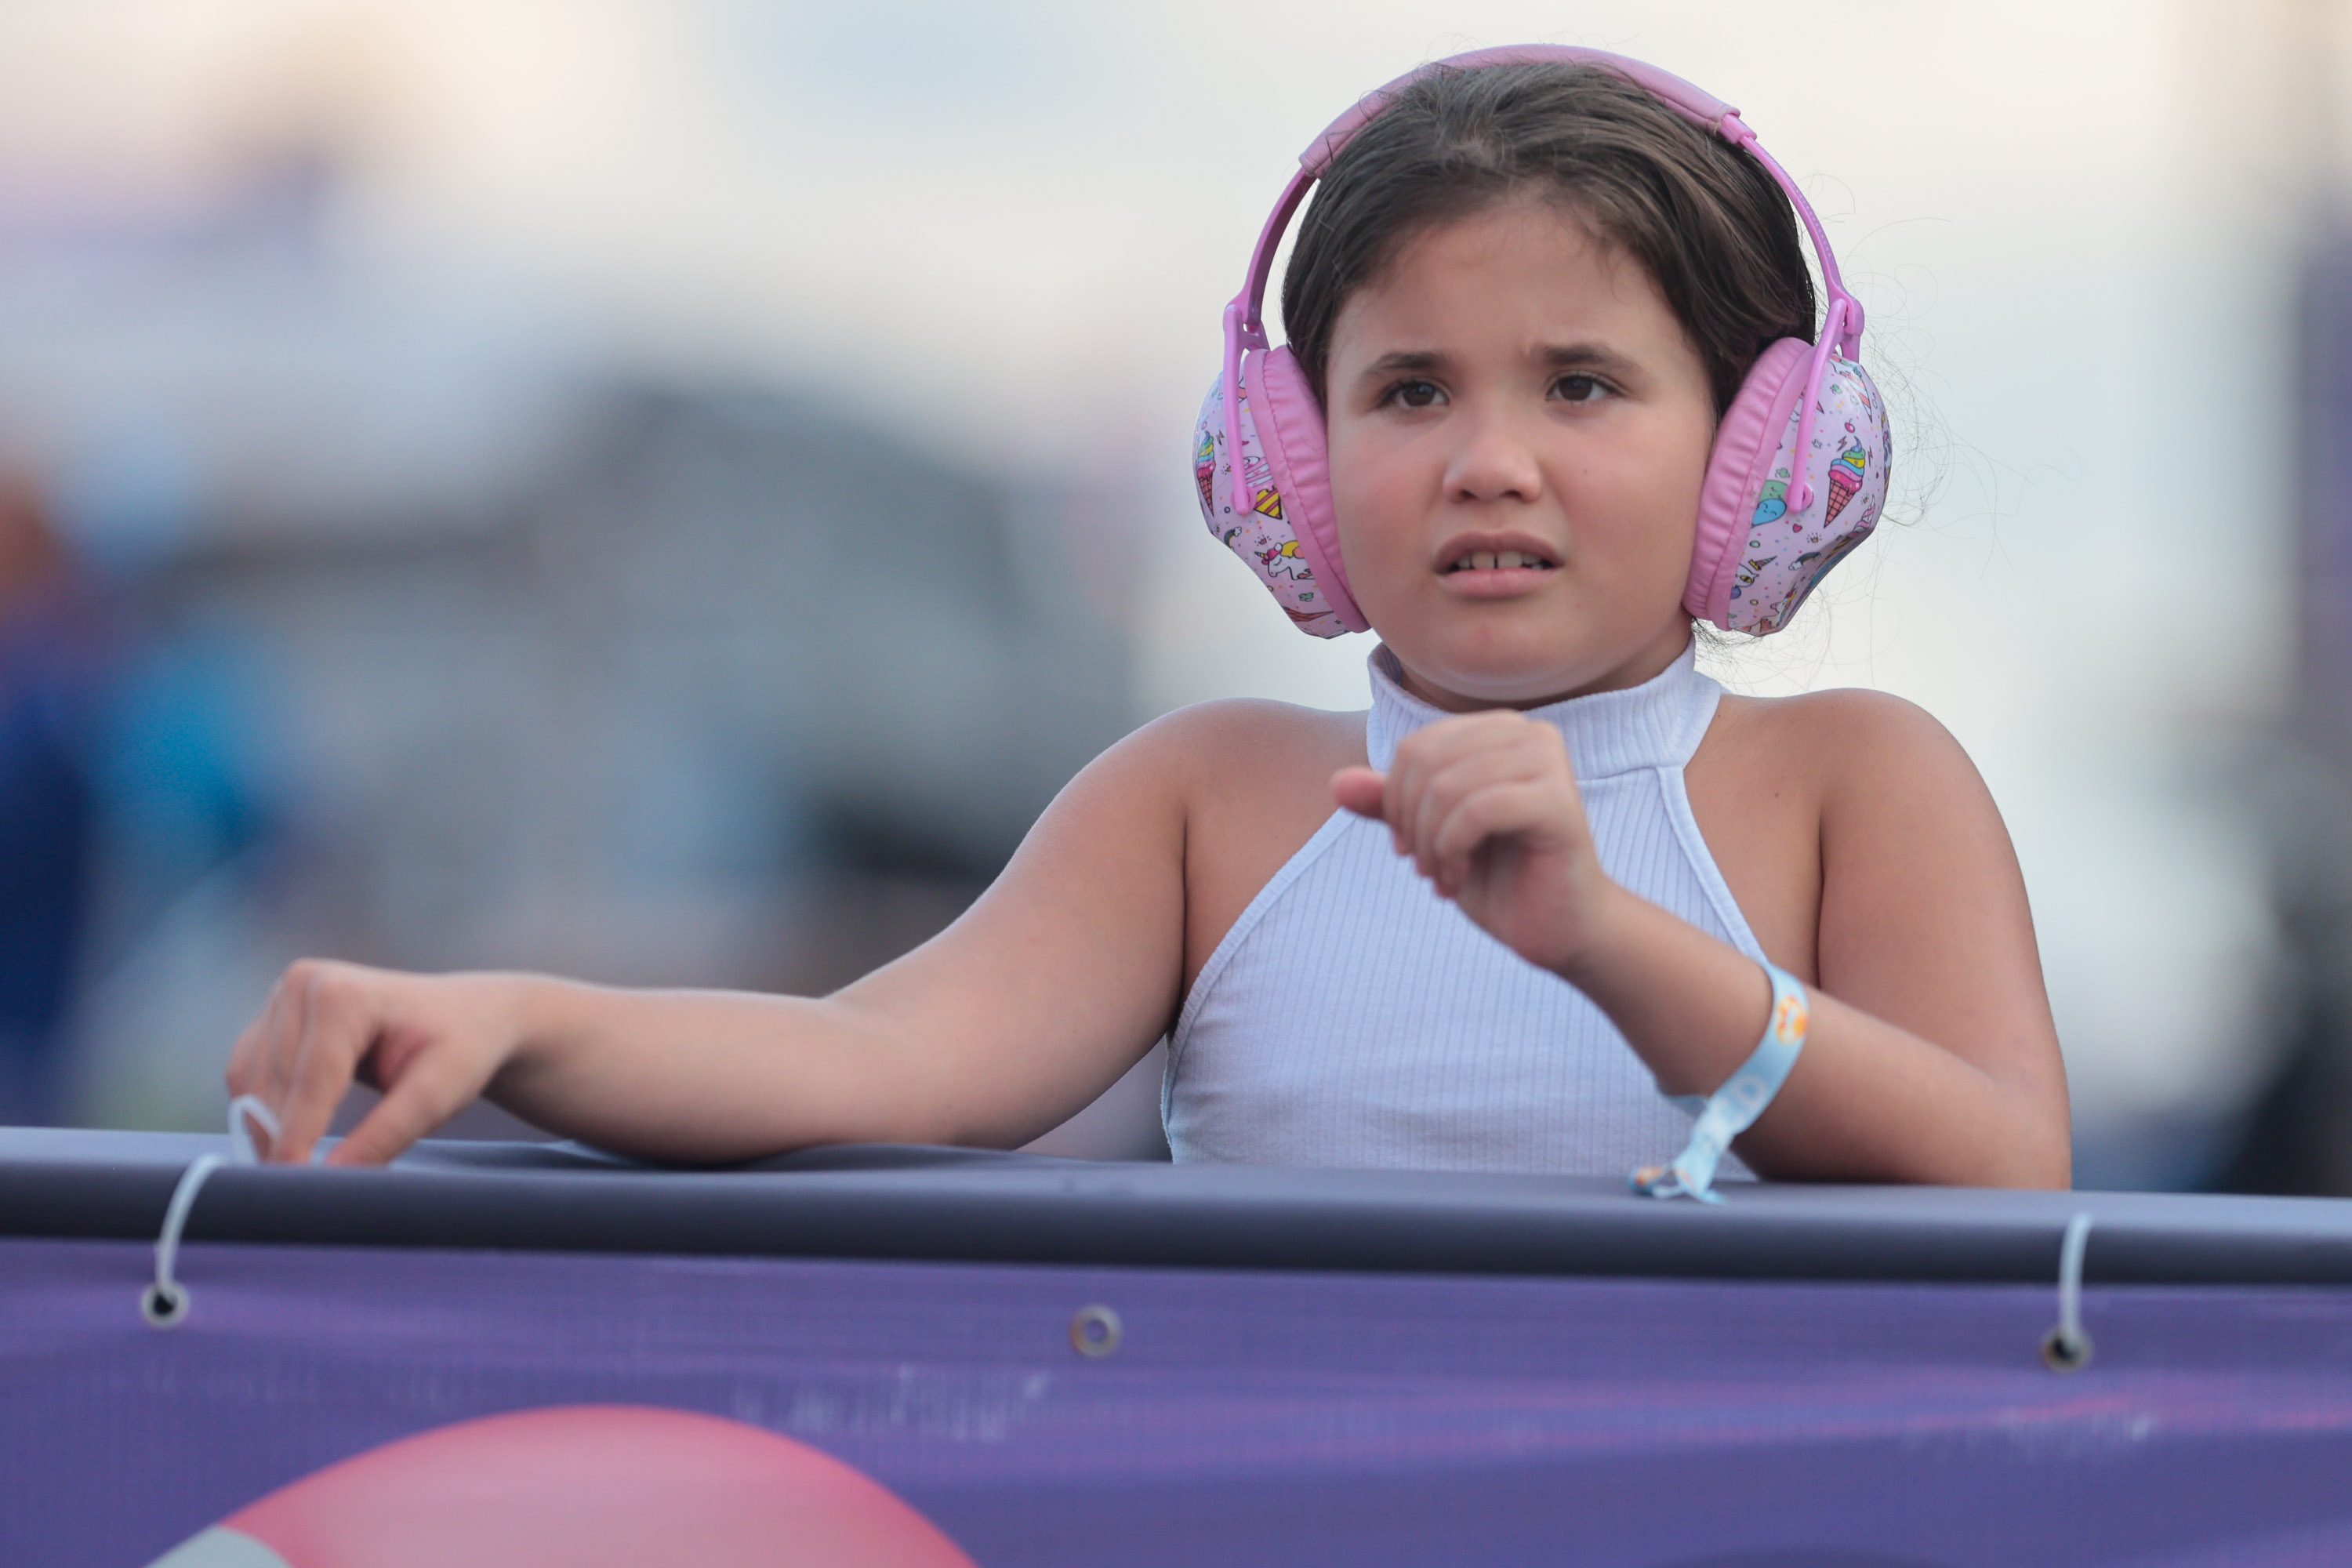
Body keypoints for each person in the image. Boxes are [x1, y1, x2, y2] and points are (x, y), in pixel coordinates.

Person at [227, 48, 2070, 1189]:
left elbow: (2004, 1172)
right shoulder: (1204, 797)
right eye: (1410, 390)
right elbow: (876, 1061)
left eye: (1581, 386)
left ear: (1762, 450)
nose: (1487, 460)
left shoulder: (1858, 779)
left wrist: (1595, 932)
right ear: (1287, 458)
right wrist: (509, 1024)